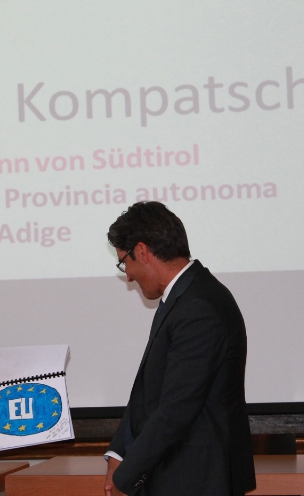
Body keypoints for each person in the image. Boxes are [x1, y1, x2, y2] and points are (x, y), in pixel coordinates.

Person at [104, 202, 256, 496]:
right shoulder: (183, 298)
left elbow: (176, 409)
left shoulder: (199, 306)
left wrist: (126, 478)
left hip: (196, 479)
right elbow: (148, 391)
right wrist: (119, 452)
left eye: (124, 263)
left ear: (142, 251)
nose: (129, 275)